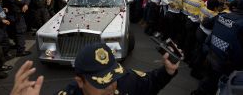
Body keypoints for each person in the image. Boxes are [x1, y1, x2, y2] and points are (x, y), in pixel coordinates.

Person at [11, 43, 179, 95]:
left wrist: (168, 71)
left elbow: (150, 83)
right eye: (101, 83)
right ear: (80, 81)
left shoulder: (127, 80)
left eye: (113, 77)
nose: (111, 87)